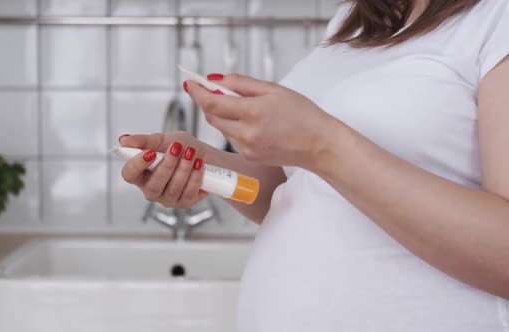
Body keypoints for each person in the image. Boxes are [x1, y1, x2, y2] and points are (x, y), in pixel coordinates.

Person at [118, 0, 509, 330]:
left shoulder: (495, 18)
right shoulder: (357, 20)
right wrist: (205, 166)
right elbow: (299, 191)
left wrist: (322, 144)